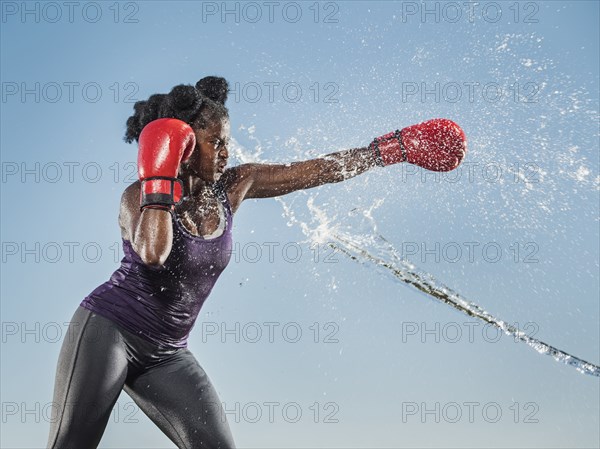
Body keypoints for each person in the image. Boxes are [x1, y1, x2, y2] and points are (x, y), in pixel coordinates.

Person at [46, 75, 466, 449]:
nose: (226, 152)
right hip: (110, 331)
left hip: (168, 352)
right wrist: (161, 177)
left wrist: (388, 150)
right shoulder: (139, 196)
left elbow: (318, 170)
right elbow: (153, 255)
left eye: (228, 140)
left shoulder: (234, 186)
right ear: (185, 145)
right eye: (216, 141)